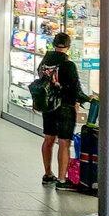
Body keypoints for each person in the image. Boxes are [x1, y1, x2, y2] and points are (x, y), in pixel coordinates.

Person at [38, 33, 89, 189]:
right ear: (68, 47)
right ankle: (61, 179)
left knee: (48, 139)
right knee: (64, 142)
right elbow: (75, 90)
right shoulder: (68, 65)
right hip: (65, 107)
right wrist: (87, 98)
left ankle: (47, 174)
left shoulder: (44, 62)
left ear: (54, 44)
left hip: (49, 107)